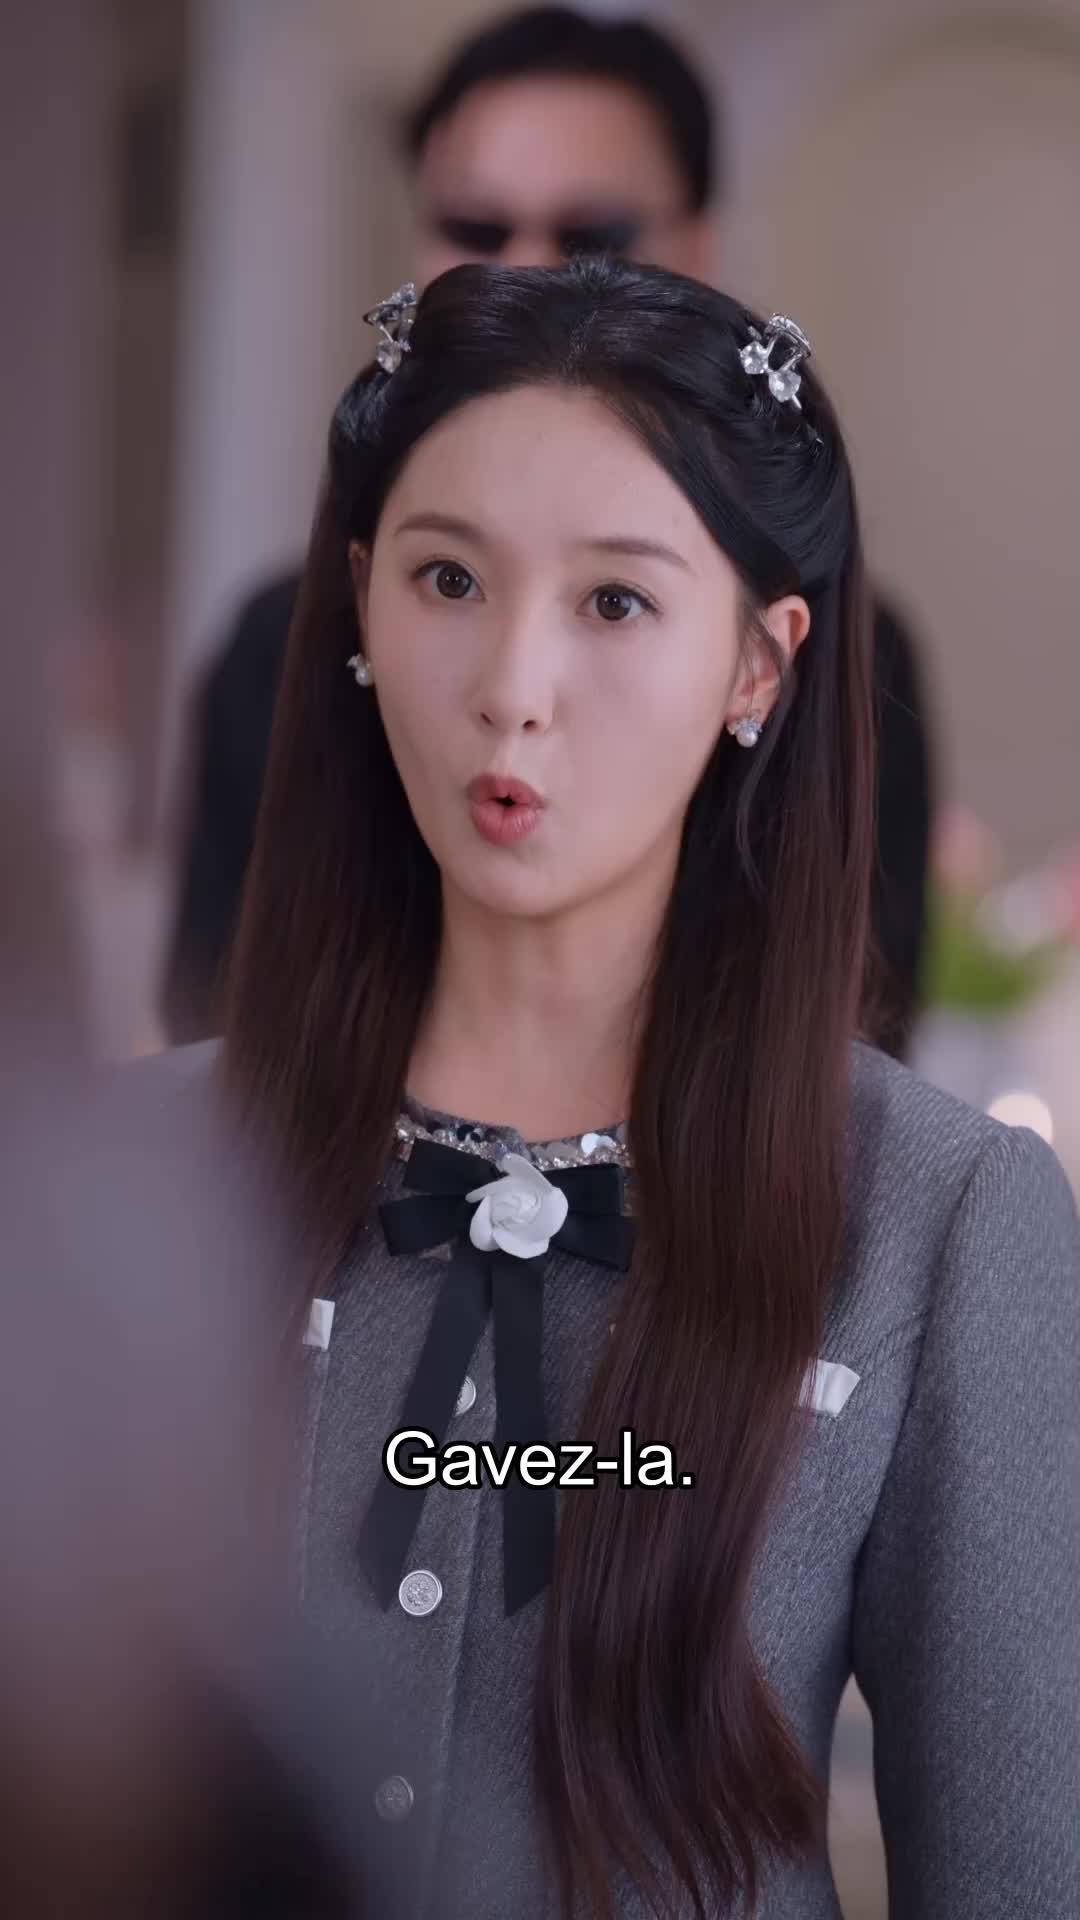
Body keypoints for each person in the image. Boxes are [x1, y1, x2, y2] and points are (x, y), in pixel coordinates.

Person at [151, 261, 1079, 1919]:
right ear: (360, 604)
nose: (513, 684)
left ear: (760, 666)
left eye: (615, 602)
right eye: (448, 578)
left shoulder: (941, 1224)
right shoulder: (134, 1169)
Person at [160, 5, 933, 1059]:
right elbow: (210, 1011)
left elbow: (862, 1028)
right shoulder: (276, 641)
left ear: (763, 662)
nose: (528, 273)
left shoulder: (848, 654)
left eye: (592, 236)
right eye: (478, 228)